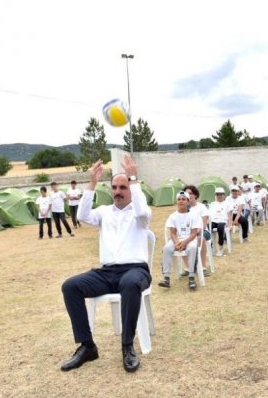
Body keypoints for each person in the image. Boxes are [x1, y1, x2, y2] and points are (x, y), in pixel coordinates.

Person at [60, 155, 152, 373]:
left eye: (123, 187)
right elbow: (82, 216)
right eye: (114, 187)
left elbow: (140, 210)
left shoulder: (142, 214)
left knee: (130, 284)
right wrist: (92, 183)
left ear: (131, 189)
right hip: (107, 273)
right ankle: (87, 346)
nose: (118, 191)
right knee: (70, 286)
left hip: (135, 270)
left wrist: (133, 177)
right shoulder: (103, 212)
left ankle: (127, 346)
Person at [159, 191, 201, 290]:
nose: (181, 201)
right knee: (167, 248)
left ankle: (191, 277)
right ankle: (166, 278)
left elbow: (194, 233)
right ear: (176, 202)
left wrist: (185, 242)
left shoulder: (193, 215)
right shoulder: (173, 216)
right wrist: (177, 243)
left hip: (189, 239)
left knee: (192, 248)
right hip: (176, 240)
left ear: (188, 202)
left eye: (183, 199)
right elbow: (172, 233)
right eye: (179, 199)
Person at [184, 184, 211, 277]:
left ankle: (203, 267)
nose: (189, 195)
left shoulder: (201, 207)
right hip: (188, 234)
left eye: (190, 193)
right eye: (186, 194)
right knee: (182, 241)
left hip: (202, 232)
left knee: (201, 239)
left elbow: (204, 224)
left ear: (195, 195)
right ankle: (188, 267)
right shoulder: (184, 208)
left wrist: (196, 232)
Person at [209, 187, 229, 256]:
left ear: (224, 195)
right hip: (214, 221)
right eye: (218, 195)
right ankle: (210, 247)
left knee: (220, 227)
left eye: (221, 194)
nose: (219, 196)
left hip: (223, 221)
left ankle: (220, 247)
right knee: (208, 226)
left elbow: (230, 215)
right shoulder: (212, 204)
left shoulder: (227, 204)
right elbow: (209, 214)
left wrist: (231, 224)